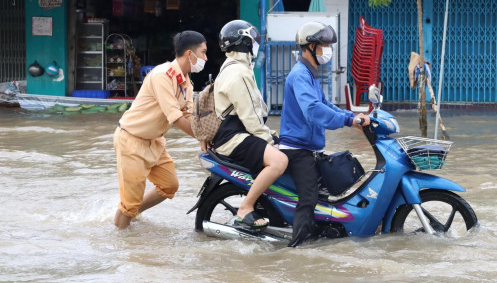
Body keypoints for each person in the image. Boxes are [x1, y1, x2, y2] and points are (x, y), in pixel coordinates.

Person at [279, 22, 370, 247]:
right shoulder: (300, 75)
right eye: (325, 45)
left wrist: (353, 116)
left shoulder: (310, 75)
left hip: (310, 147)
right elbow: (313, 110)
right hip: (297, 149)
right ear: (311, 46)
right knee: (308, 198)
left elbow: (327, 105)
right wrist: (349, 120)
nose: (328, 50)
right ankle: (299, 245)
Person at [113, 30, 208, 229]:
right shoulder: (162, 75)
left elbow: (189, 116)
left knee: (169, 185)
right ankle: (121, 242)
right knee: (128, 205)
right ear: (189, 54)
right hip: (132, 140)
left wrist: (206, 136)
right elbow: (175, 117)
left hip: (155, 142)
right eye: (203, 53)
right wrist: (204, 137)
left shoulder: (186, 82)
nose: (205, 58)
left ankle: (135, 213)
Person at [213, 20, 288, 230]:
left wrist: (272, 135)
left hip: (234, 133)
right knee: (279, 161)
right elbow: (251, 117)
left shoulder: (234, 67)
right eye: (252, 40)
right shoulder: (239, 73)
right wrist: (269, 140)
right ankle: (245, 207)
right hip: (233, 136)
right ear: (244, 42)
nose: (256, 43)